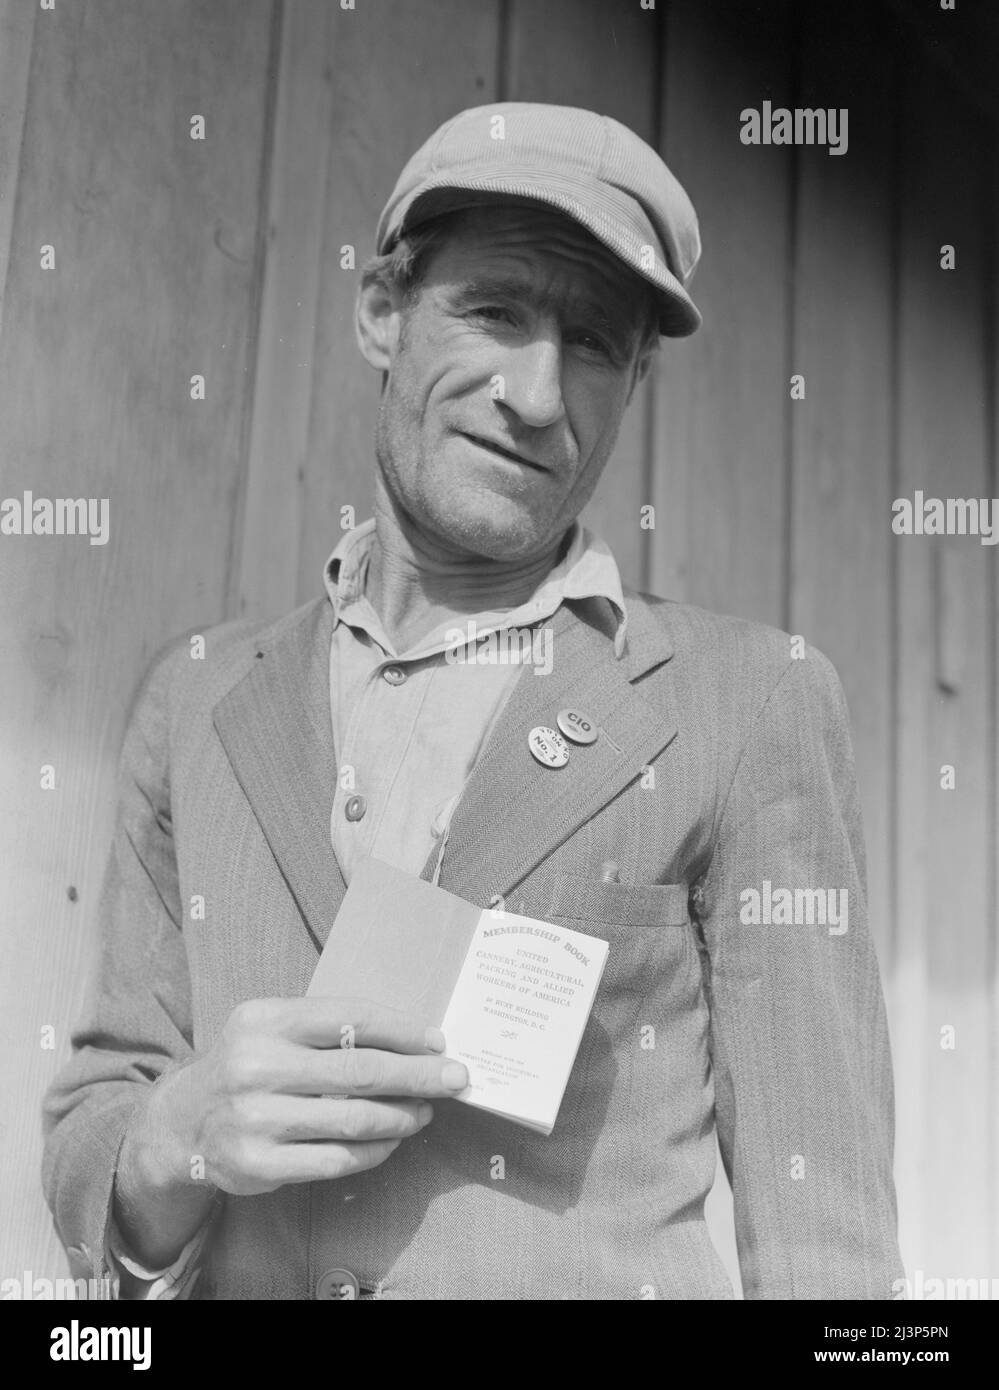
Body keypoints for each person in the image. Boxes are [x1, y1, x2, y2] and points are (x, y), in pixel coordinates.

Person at [43, 102, 903, 1300]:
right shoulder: (195, 701)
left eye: (595, 345)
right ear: (382, 313)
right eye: (495, 311)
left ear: (635, 377)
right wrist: (174, 1134)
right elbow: (102, 1122)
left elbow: (833, 1254)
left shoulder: (750, 705)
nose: (540, 396)